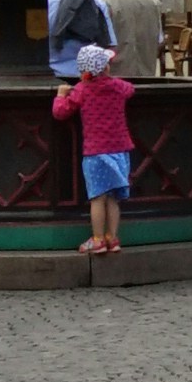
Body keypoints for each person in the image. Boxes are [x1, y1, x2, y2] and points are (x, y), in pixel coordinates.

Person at [62, 20, 137, 262]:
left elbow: (61, 112)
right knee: (114, 198)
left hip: (95, 152)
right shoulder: (117, 87)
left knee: (97, 197)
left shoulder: (82, 91)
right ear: (105, 68)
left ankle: (96, 239)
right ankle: (112, 238)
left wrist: (60, 95)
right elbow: (130, 90)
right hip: (120, 149)